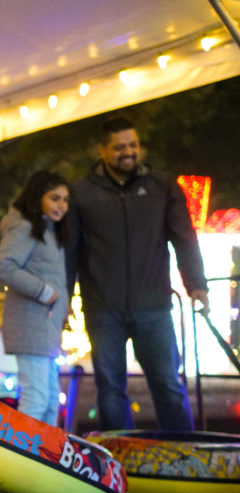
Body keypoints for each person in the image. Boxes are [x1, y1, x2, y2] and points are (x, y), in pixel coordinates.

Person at [65, 117, 208, 431]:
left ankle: (184, 457)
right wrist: (64, 304)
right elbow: (71, 253)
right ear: (103, 150)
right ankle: (120, 462)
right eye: (119, 147)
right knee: (111, 390)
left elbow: (184, 238)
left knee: (169, 386)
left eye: (133, 145)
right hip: (102, 308)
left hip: (154, 305)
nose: (128, 152)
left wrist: (197, 285)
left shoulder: (162, 186)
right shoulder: (80, 192)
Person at [0, 171, 71, 426]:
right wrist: (44, 292)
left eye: (65, 199)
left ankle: (43, 459)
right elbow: (2, 266)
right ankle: (18, 460)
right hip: (30, 324)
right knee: (36, 398)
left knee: (47, 402)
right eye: (55, 198)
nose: (62, 205)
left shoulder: (47, 231)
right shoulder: (25, 227)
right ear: (37, 198)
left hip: (44, 326)